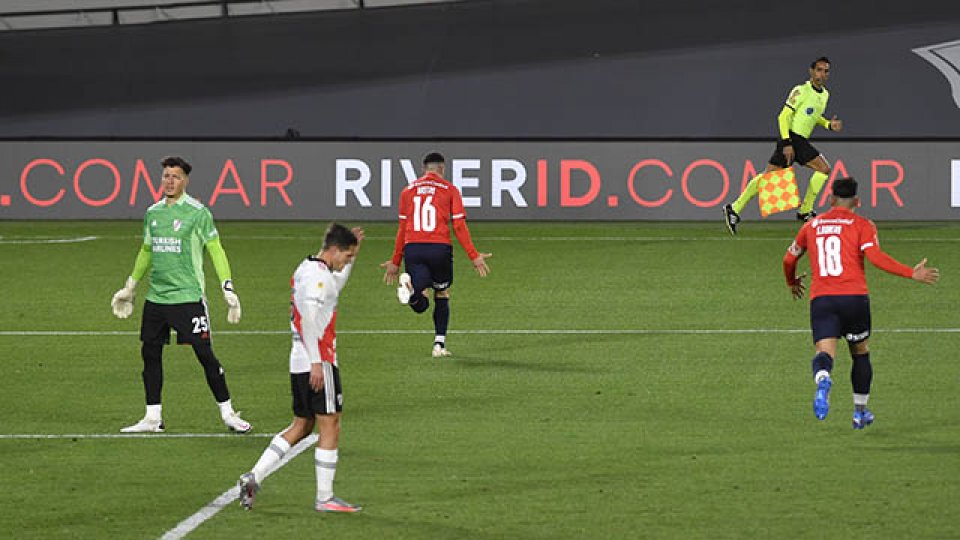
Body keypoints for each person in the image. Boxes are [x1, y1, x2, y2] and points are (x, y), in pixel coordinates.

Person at [782, 177, 939, 428]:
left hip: (822, 300)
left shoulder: (811, 226)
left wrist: (792, 282)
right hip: (854, 300)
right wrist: (911, 272)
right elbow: (877, 258)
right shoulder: (863, 225)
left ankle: (823, 378)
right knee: (860, 352)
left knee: (824, 353)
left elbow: (789, 260)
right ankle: (860, 412)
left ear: (831, 199)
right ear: (857, 201)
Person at [110, 156, 251, 434]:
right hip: (156, 299)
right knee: (150, 354)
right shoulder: (153, 213)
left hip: (188, 298)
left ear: (185, 180)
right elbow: (147, 250)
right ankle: (152, 418)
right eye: (165, 176)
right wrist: (130, 286)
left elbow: (216, 249)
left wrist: (227, 287)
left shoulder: (198, 213)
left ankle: (228, 413)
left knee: (205, 355)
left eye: (175, 176)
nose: (169, 181)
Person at [238, 223, 363, 513]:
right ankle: (325, 497)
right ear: (334, 250)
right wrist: (318, 362)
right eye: (347, 257)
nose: (347, 262)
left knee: (302, 425)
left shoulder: (307, 269)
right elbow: (307, 318)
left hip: (298, 360)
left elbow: (334, 288)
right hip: (318, 360)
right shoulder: (319, 278)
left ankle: (253, 476)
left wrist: (353, 257)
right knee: (330, 425)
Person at [380, 152, 492, 357]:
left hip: (413, 249)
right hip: (439, 250)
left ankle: (413, 291)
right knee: (442, 293)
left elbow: (402, 228)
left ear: (424, 169)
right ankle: (438, 345)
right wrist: (474, 256)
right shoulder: (449, 190)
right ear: (442, 169)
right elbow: (458, 225)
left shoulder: (407, 191)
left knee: (420, 300)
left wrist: (396, 261)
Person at [723, 56, 843, 235]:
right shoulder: (800, 90)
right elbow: (783, 116)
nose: (822, 74)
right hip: (791, 138)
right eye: (819, 70)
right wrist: (786, 143)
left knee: (823, 169)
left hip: (801, 141)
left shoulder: (825, 95)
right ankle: (734, 208)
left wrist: (828, 125)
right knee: (770, 178)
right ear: (811, 71)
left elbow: (812, 115)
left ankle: (804, 211)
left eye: (826, 71)